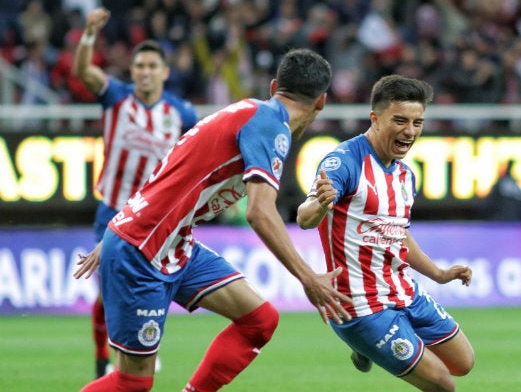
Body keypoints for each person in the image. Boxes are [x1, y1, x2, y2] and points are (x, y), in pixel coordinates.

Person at [73, 47, 352, 392]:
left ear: (274, 85)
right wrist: (308, 278)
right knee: (133, 383)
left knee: (259, 320)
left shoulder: (248, 111)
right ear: (321, 101)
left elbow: (166, 171)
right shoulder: (271, 128)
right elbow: (259, 211)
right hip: (142, 251)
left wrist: (122, 226)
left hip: (169, 241)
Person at [297, 74, 475, 392]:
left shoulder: (405, 175)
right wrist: (321, 205)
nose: (410, 131)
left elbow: (398, 234)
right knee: (442, 385)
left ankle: (367, 347)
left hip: (403, 291)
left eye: (417, 122)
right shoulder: (344, 161)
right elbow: (304, 217)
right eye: (400, 121)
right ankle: (365, 340)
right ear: (375, 119)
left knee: (463, 363)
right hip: (360, 304)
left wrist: (439, 273)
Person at [73, 7, 200, 379]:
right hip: (112, 211)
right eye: (139, 66)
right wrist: (88, 35)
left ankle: (141, 348)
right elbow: (83, 71)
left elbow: (194, 158)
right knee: (108, 293)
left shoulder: (182, 114)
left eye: (151, 66)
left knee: (152, 286)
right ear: (132, 71)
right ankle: (107, 361)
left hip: (156, 219)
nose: (144, 72)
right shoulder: (116, 97)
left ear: (164, 71)